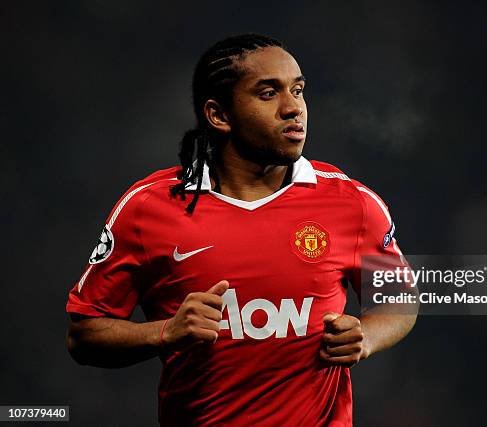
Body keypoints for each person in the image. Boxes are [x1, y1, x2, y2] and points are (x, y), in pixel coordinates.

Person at [66, 34, 417, 426]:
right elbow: (84, 336)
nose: (293, 108)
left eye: (298, 90)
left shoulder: (351, 202)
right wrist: (164, 333)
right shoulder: (147, 208)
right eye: (268, 93)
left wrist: (365, 338)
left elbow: (399, 299)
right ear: (219, 115)